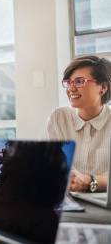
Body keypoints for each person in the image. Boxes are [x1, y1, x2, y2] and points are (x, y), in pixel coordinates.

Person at [47, 55, 111, 192]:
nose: (71, 88)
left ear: (103, 87)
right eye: (68, 82)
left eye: (79, 82)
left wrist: (89, 181)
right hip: (68, 200)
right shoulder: (59, 118)